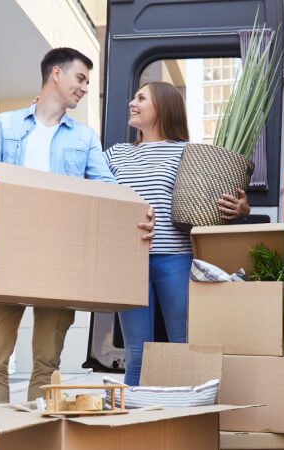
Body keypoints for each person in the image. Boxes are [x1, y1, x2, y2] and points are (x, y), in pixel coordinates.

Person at [0, 47, 155, 450]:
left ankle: (29, 446)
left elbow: (105, 186)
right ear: (56, 74)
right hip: (6, 254)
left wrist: (137, 210)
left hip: (60, 261)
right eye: (80, 79)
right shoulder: (6, 125)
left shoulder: (82, 138)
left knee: (46, 362)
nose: (84, 88)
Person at [105, 81, 249, 385]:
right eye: (134, 97)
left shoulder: (190, 153)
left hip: (176, 258)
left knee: (183, 346)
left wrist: (241, 210)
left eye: (141, 98)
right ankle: (134, 427)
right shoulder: (115, 155)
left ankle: (185, 423)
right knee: (136, 355)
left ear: (163, 107)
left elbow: (213, 203)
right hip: (127, 262)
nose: (132, 102)